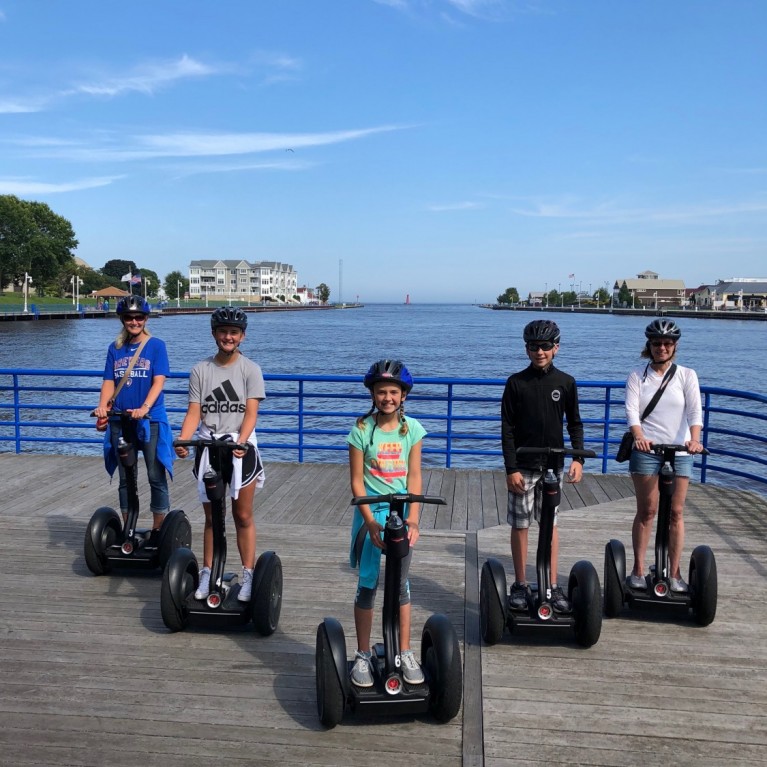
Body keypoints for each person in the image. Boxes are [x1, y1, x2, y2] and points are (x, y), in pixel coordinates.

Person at [174, 307, 265, 603]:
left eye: (234, 332)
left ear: (242, 336)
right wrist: (184, 438)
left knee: (242, 514)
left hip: (241, 447)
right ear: (214, 334)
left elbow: (251, 413)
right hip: (209, 446)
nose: (228, 337)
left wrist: (241, 441)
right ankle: (208, 571)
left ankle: (249, 574)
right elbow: (194, 412)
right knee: (212, 517)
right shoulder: (201, 370)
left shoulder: (250, 369)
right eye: (223, 331)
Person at [347, 359, 426, 687]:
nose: (388, 398)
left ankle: (404, 651)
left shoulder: (413, 430)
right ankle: (364, 653)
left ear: (403, 395)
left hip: (401, 517)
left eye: (394, 392)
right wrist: (369, 520)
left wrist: (414, 519)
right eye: (382, 392)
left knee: (401, 586)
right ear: (373, 395)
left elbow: (416, 476)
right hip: (371, 516)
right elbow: (356, 481)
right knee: (368, 584)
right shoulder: (361, 430)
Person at [500, 320, 585, 613]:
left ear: (556, 348)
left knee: (551, 524)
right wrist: (510, 468)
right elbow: (507, 429)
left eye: (546, 347)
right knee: (520, 524)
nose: (540, 352)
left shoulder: (566, 382)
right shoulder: (515, 383)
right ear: (526, 349)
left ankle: (550, 582)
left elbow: (575, 423)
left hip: (554, 466)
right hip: (523, 465)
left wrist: (577, 458)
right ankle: (521, 583)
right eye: (534, 347)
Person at [625, 319, 704, 593]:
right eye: (657, 343)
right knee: (647, 511)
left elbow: (695, 411)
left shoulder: (686, 375)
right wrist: (638, 435)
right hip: (647, 451)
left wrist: (694, 440)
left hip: (680, 451)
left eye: (667, 343)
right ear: (649, 345)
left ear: (675, 346)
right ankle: (637, 568)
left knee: (676, 513)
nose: (662, 347)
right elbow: (632, 411)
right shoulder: (638, 375)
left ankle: (674, 572)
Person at [94, 295, 172, 533]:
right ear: (123, 319)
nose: (134, 321)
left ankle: (159, 530)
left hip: (150, 420)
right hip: (120, 420)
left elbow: (159, 382)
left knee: (154, 474)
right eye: (129, 317)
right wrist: (102, 408)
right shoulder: (115, 348)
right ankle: (128, 527)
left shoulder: (156, 346)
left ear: (146, 319)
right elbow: (109, 381)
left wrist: (145, 407)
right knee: (126, 478)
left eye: (139, 317)